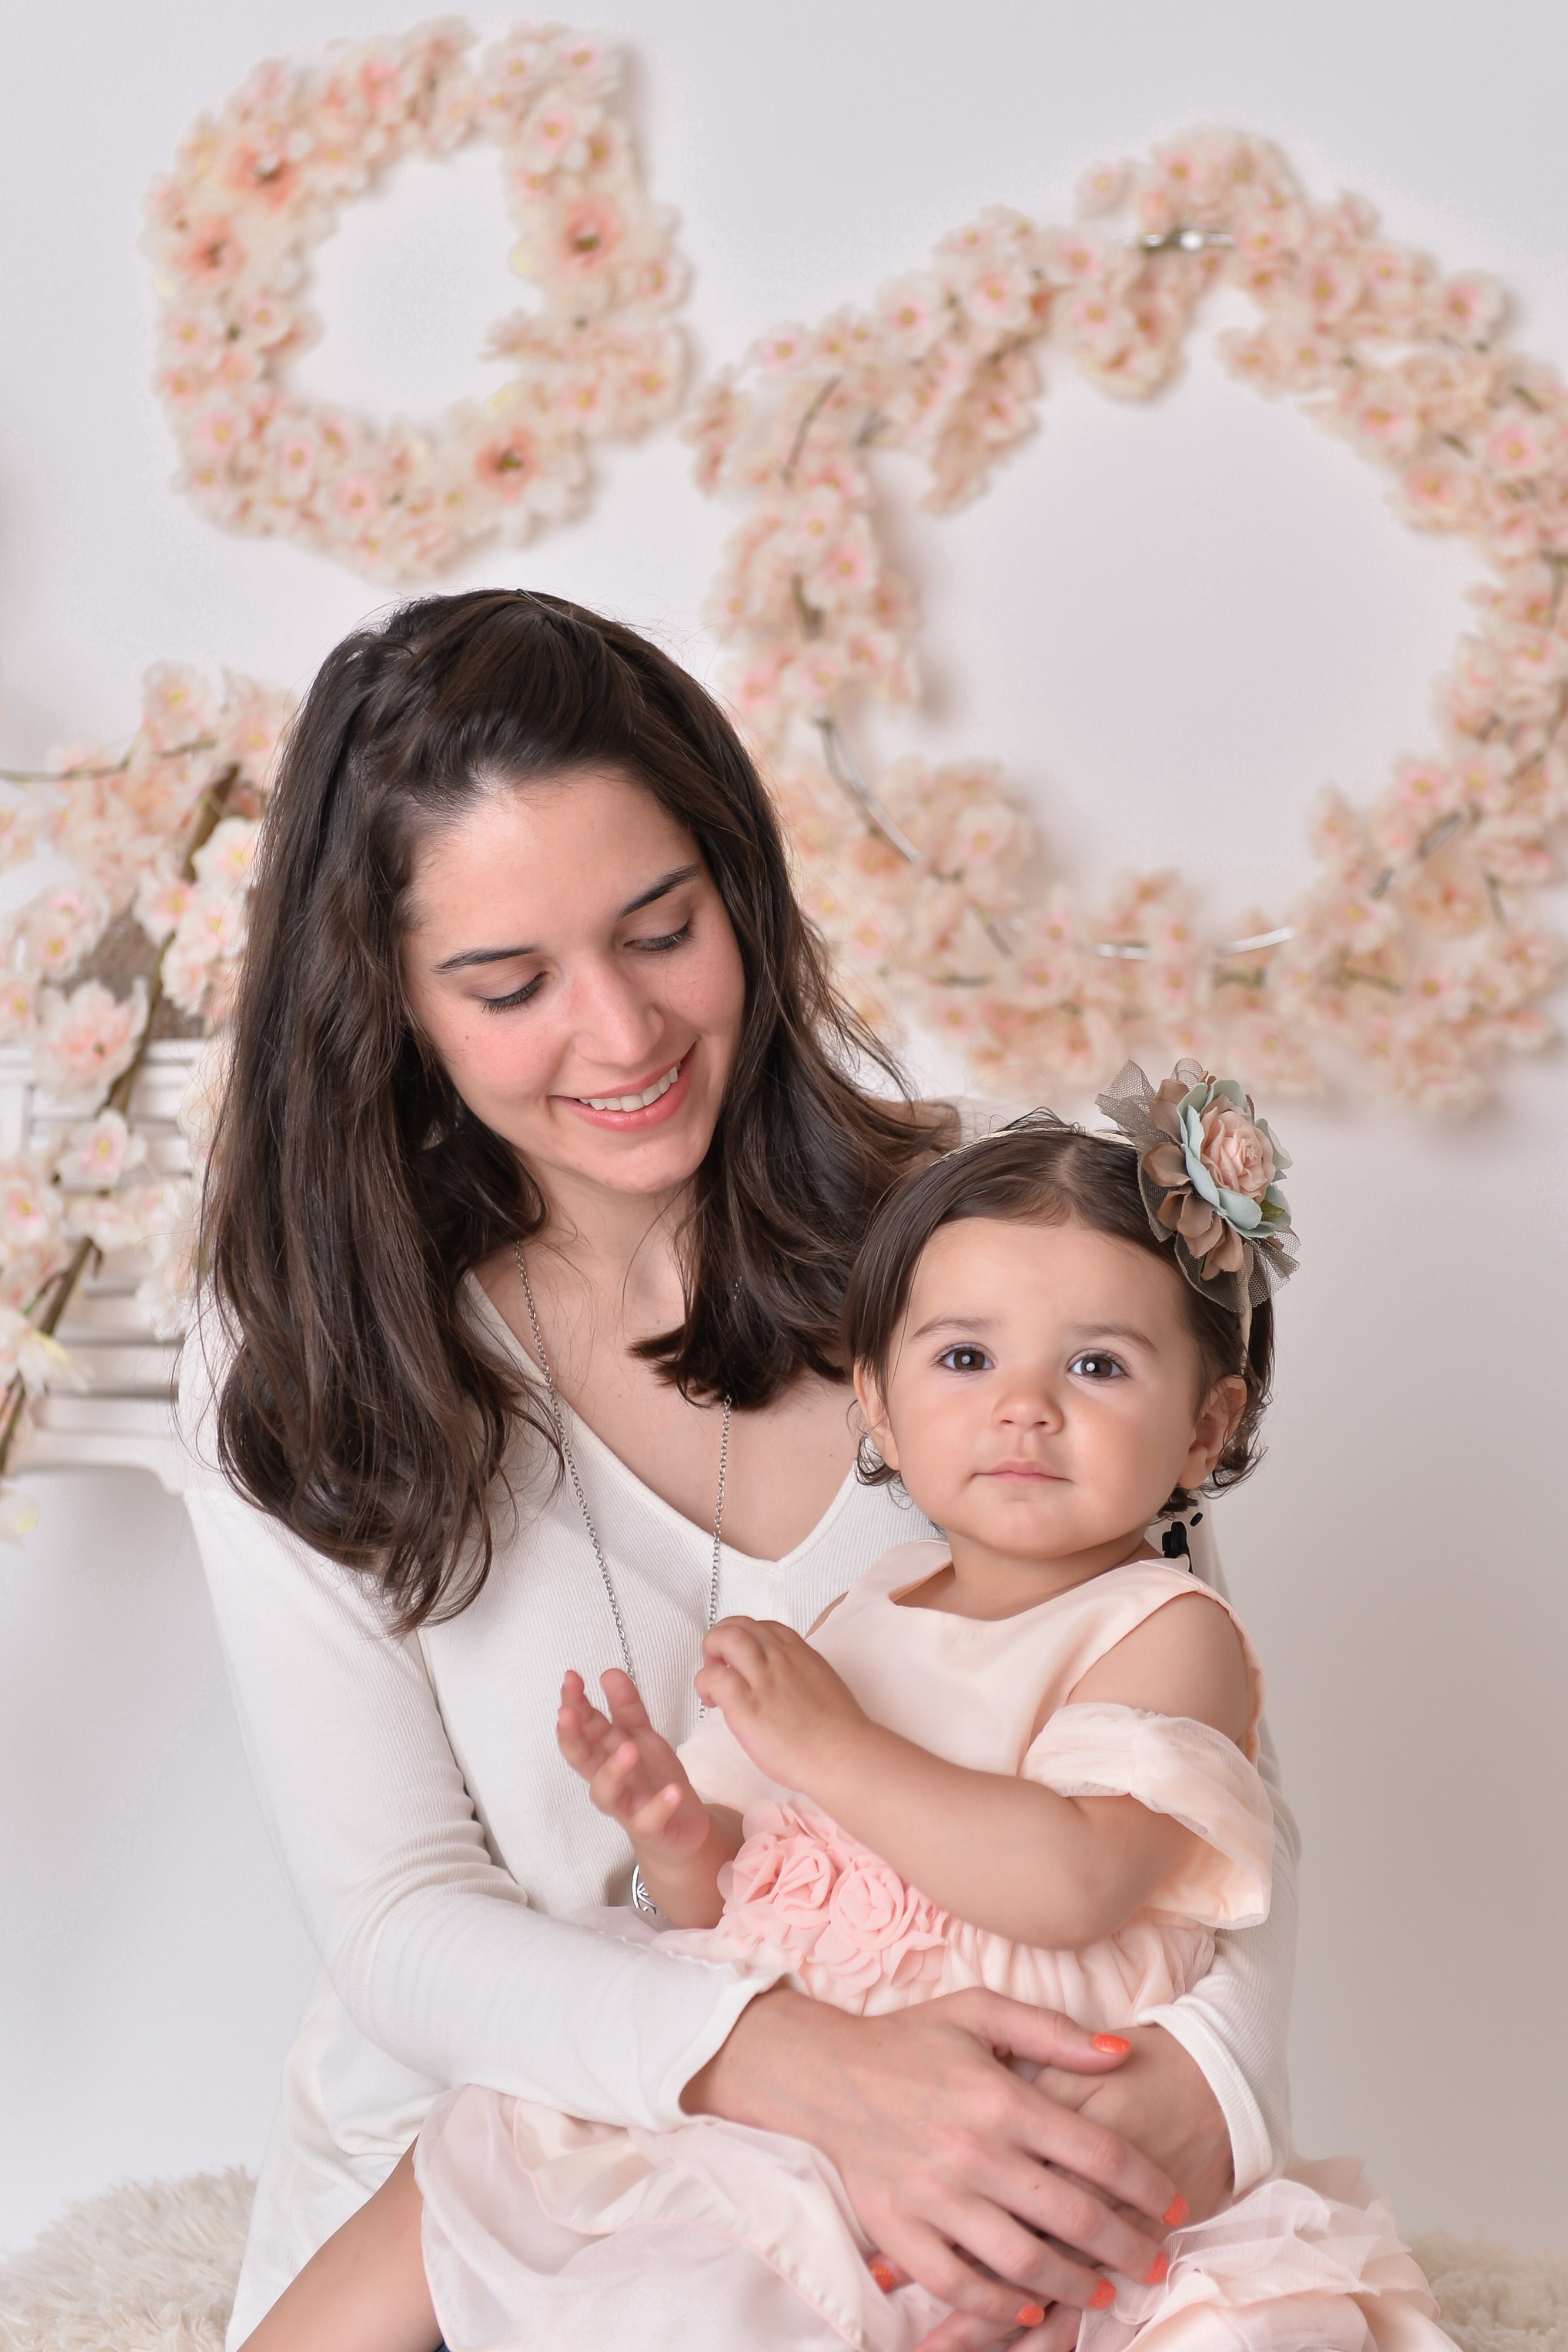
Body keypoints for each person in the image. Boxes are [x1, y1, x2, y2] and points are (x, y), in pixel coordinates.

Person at [182, 590, 1299, 2349]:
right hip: (499, 2191)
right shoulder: (296, 1361)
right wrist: (797, 2073)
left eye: (661, 929)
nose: (622, 1039)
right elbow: (400, 1921)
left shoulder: (976, 1271)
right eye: (509, 983)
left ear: (744, 892)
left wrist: (1196, 2095)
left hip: (993, 2147)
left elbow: (1180, 1784)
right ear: (385, 1001)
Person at [235, 1081, 1443, 2352]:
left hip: (1018, 2105)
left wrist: (833, 1746)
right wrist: (671, 1832)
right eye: (964, 1357)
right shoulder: (864, 1607)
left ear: (1204, 1426)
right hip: (806, 2107)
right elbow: (728, 1907)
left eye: (1095, 1363)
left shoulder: (1160, 1628)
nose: (1022, 1404)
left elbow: (1076, 1879)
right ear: (874, 1398)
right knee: (502, 2148)